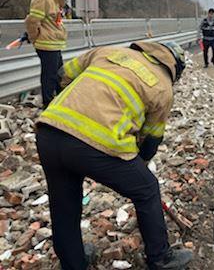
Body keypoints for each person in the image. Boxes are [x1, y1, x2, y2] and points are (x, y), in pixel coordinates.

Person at [35, 41, 193, 270]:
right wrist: (138, 165)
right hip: (96, 145)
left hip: (49, 131)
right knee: (147, 189)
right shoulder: (163, 87)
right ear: (174, 67)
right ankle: (160, 257)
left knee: (65, 205)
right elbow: (150, 139)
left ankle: (73, 263)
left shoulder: (109, 51)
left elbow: (63, 74)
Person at [25, 0, 67, 108]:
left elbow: (53, 20)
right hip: (46, 44)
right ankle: (48, 104)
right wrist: (34, 38)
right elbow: (33, 21)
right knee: (49, 76)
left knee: (59, 75)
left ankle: (61, 101)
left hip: (53, 44)